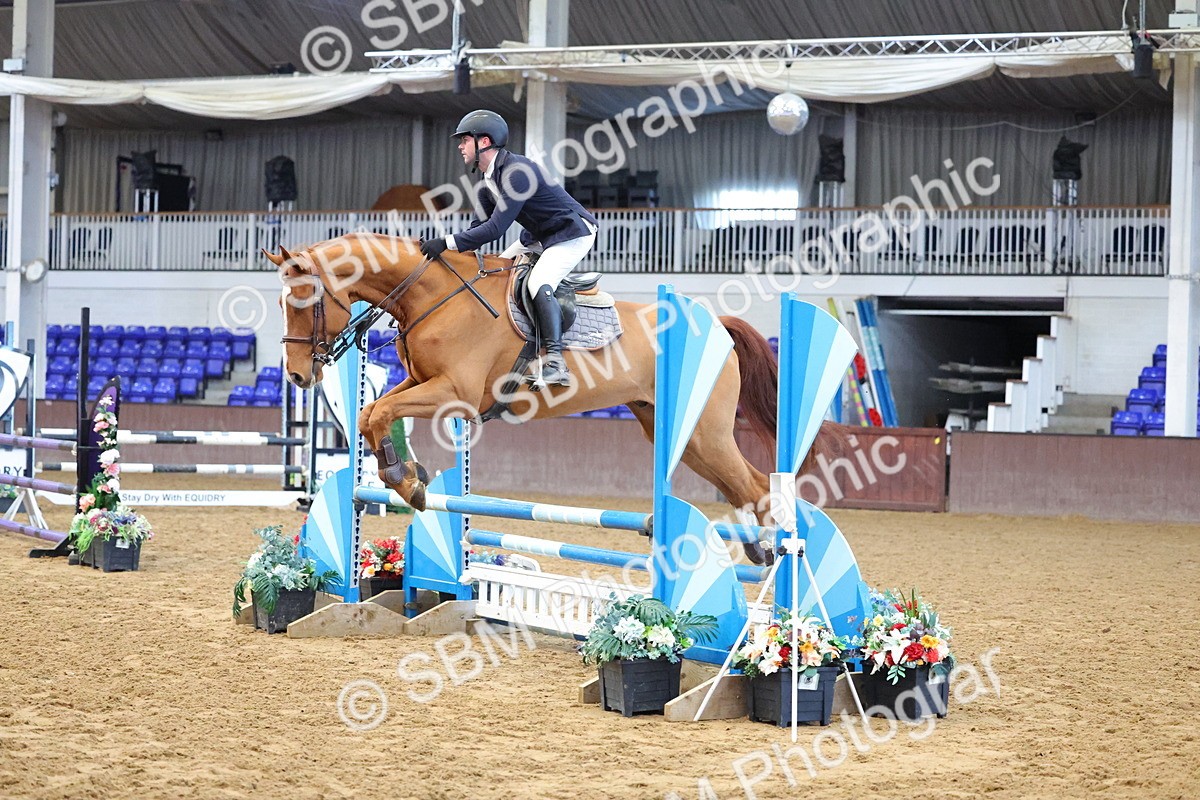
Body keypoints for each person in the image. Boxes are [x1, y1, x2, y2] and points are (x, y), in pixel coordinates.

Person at [419, 110, 598, 387]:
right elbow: (476, 233)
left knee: (539, 282)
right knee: (496, 272)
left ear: (484, 142)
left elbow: (494, 230)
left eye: (465, 140)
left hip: (571, 232)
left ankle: (555, 362)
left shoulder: (517, 173)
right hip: (540, 234)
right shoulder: (486, 184)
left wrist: (445, 242)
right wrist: (446, 253)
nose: (459, 146)